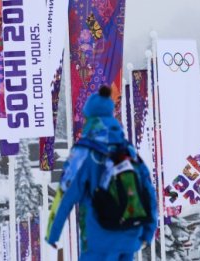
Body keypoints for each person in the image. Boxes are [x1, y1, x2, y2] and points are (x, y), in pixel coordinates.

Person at [46, 86, 158, 261]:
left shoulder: (83, 152)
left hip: (98, 236)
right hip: (130, 234)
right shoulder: (127, 150)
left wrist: (53, 233)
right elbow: (147, 191)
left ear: (89, 117)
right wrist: (149, 232)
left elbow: (65, 194)